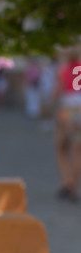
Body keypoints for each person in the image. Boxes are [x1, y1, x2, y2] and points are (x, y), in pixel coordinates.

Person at [54, 50, 81, 203]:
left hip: (67, 109)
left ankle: (67, 181)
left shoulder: (63, 70)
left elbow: (57, 92)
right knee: (78, 150)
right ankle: (73, 185)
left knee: (61, 147)